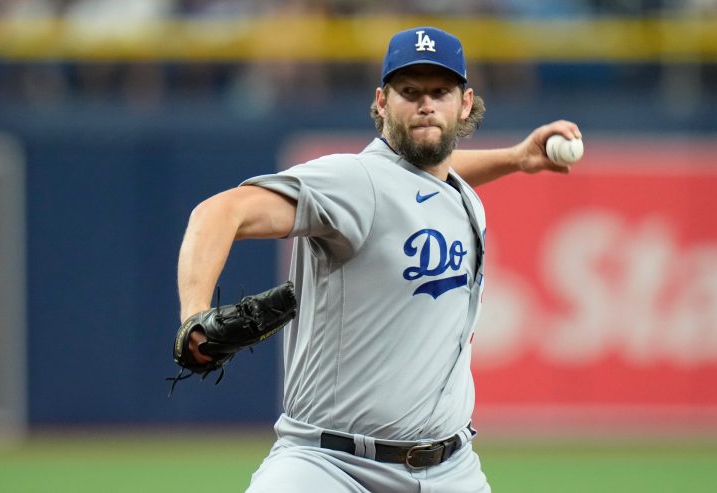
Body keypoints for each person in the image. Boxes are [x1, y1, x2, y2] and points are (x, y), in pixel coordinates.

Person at [177, 26, 581, 493]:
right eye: (409, 92)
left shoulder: (458, 194)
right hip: (329, 466)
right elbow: (219, 212)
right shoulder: (352, 181)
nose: (426, 104)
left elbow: (431, 173)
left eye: (440, 91)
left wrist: (515, 158)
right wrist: (193, 315)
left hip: (451, 469)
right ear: (382, 103)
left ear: (465, 103)